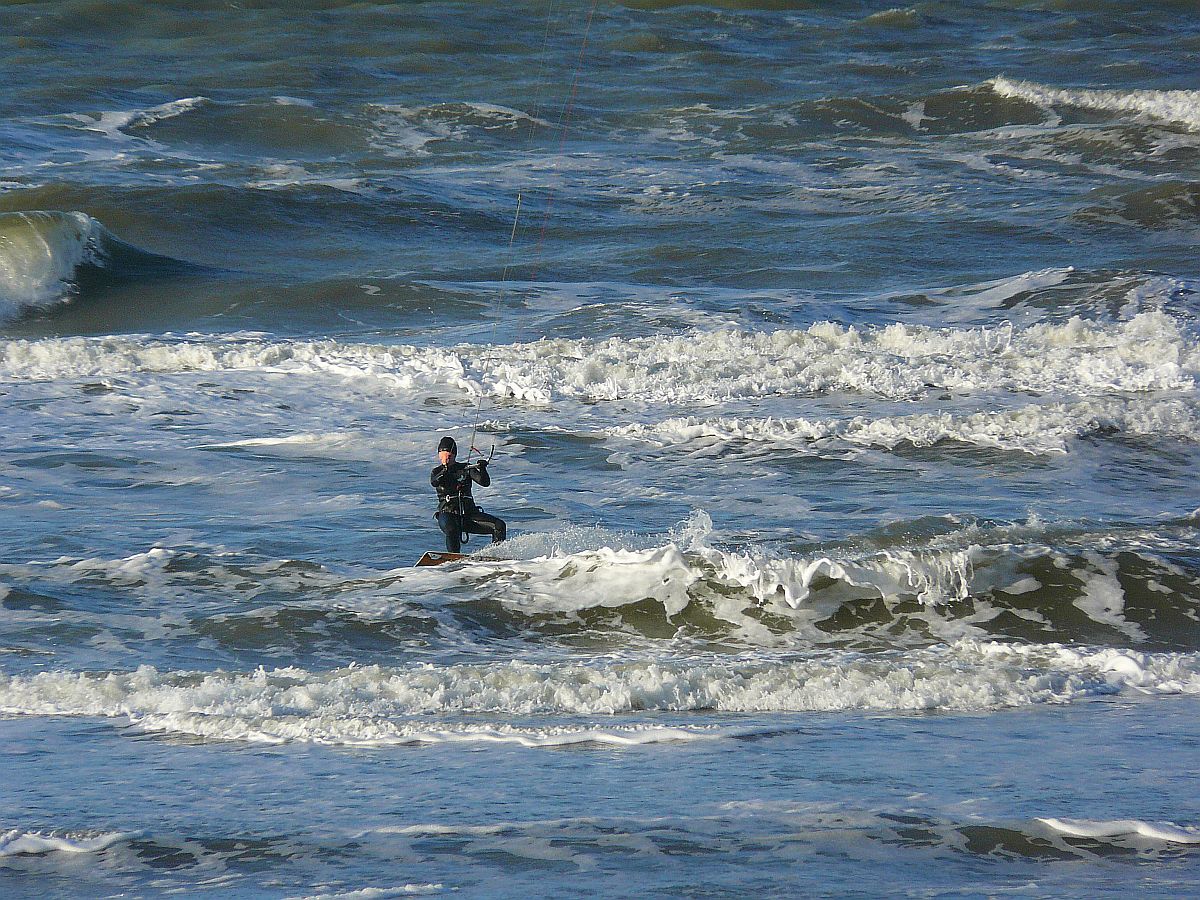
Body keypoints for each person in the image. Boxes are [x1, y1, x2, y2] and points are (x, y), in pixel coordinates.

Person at [430, 436, 506, 553]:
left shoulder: (466, 468)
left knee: (499, 525)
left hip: (468, 514)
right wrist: (445, 469)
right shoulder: (436, 472)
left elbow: (484, 482)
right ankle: (453, 557)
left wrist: (482, 469)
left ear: (454, 455)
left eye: (450, 455)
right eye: (443, 454)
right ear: (439, 455)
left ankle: (497, 555)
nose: (446, 458)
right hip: (448, 514)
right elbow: (435, 482)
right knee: (451, 529)